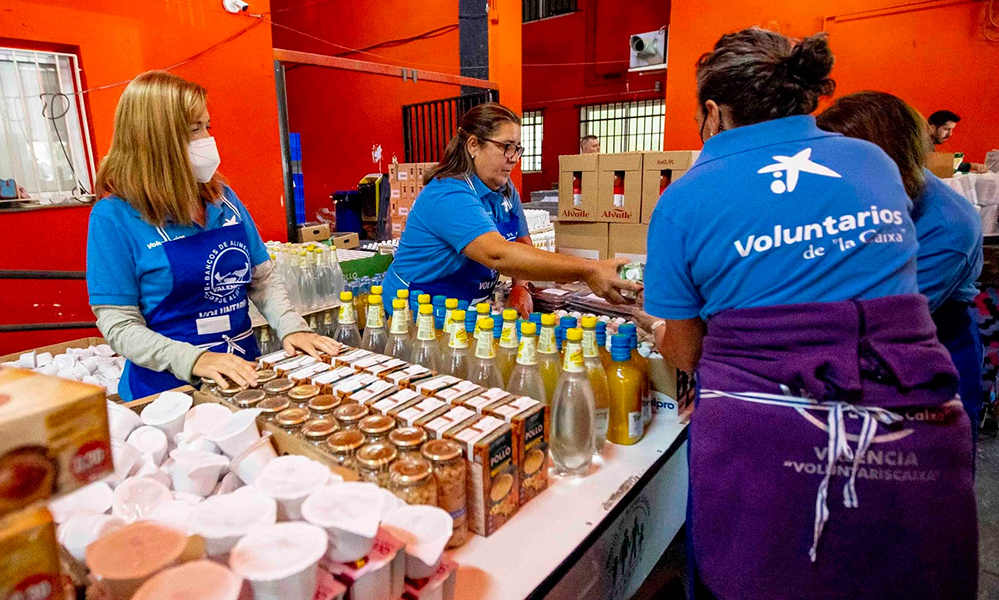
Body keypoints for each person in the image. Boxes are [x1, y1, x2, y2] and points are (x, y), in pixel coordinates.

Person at [645, 28, 976, 599]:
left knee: (755, 577)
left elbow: (686, 349)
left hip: (766, 440)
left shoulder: (686, 197)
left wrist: (659, 331)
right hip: (907, 425)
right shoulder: (871, 161)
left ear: (713, 111)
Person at [86, 71, 340, 401]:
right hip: (166, 391)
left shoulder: (223, 199)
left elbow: (261, 279)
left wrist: (291, 326)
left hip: (243, 374)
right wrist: (196, 359)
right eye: (194, 130)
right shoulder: (114, 218)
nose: (207, 139)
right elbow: (120, 326)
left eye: (208, 126)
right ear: (156, 141)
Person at [819, 91, 985, 441]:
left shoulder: (949, 224)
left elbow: (881, 324)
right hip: (845, 337)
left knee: (924, 475)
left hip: (926, 348)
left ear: (889, 160)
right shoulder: (852, 194)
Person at [381, 103, 638, 316]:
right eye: (506, 146)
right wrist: (588, 269)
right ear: (473, 145)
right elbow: (498, 254)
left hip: (467, 309)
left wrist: (521, 287)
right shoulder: (448, 194)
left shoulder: (504, 188)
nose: (514, 157)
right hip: (418, 311)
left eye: (517, 148)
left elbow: (522, 244)